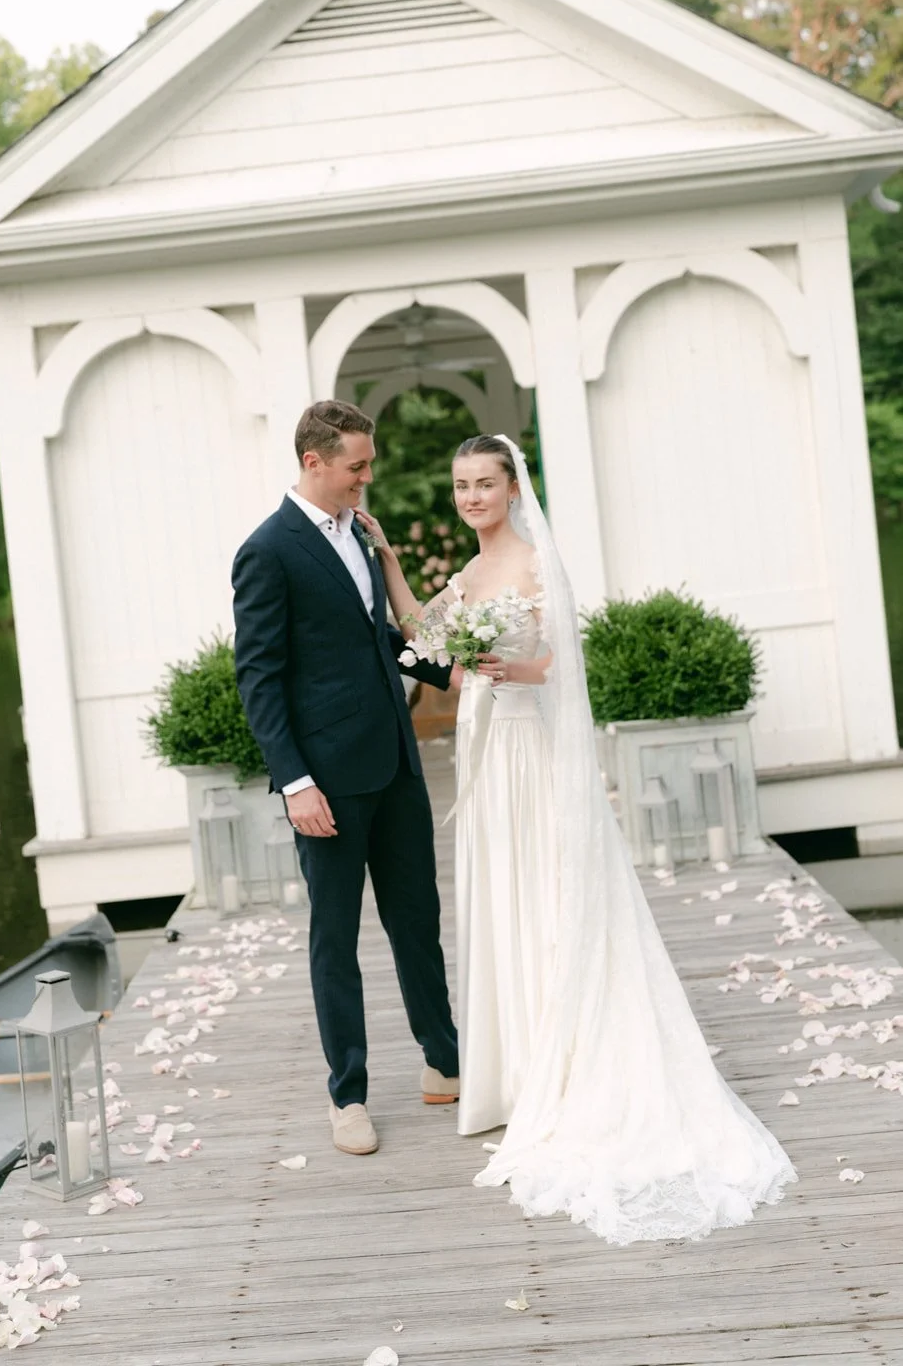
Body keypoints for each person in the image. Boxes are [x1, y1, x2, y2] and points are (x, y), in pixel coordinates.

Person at [356, 433, 797, 1244]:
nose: (470, 497)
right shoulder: (468, 573)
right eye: (459, 486)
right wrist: (387, 562)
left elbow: (563, 665)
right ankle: (520, 1073)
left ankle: (572, 1068)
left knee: (551, 897)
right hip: (490, 755)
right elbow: (423, 634)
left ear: (511, 488)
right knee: (504, 900)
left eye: (483, 484)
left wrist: (514, 668)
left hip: (535, 752)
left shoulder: (532, 563)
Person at [231, 400, 460, 1158]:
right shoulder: (267, 550)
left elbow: (379, 641)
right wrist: (295, 782)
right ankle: (348, 1095)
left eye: (367, 463)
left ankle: (444, 1062)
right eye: (357, 465)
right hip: (325, 782)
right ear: (313, 461)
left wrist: (455, 668)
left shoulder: (361, 536)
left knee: (417, 920)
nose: (367, 476)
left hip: (395, 763)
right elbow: (259, 678)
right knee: (335, 938)